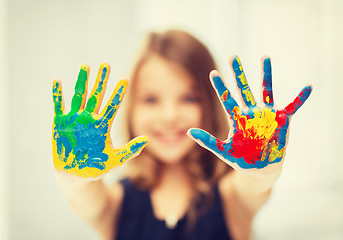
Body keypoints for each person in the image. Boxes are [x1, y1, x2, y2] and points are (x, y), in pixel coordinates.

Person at [52, 29, 312, 240]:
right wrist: (74, 174)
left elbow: (256, 184)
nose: (169, 116)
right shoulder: (114, 204)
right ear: (130, 109)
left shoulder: (232, 197)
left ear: (210, 105)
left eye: (188, 98)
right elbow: (82, 196)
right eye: (151, 99)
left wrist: (262, 169)